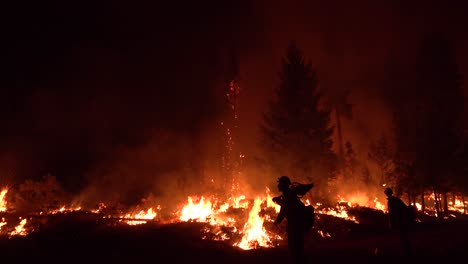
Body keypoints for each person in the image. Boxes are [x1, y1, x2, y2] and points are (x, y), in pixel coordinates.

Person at [273, 176, 312, 264]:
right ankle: (299, 259)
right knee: (298, 243)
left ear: (283, 185)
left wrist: (276, 222)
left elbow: (283, 211)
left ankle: (297, 260)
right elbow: (287, 206)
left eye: (280, 184)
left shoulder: (288, 196)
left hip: (295, 223)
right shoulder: (289, 194)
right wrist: (279, 200)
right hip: (296, 222)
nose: (278, 185)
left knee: (294, 245)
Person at [384, 187, 412, 257]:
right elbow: (404, 207)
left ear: (387, 194)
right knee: (404, 236)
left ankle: (406, 252)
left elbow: (391, 213)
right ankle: (406, 251)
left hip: (400, 220)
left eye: (386, 193)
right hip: (402, 220)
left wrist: (391, 223)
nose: (386, 194)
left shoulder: (391, 201)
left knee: (403, 236)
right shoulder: (396, 199)